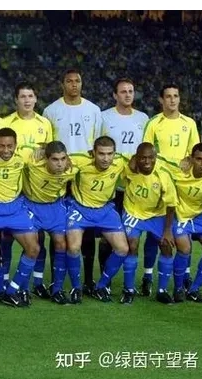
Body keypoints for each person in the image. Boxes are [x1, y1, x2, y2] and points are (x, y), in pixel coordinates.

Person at [43, 69, 102, 296]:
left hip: (84, 176)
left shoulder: (93, 110)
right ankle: (55, 278)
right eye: (69, 81)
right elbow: (49, 146)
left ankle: (87, 279)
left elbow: (97, 144)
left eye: (77, 81)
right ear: (62, 84)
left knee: (86, 228)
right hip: (60, 176)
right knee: (57, 227)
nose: (74, 85)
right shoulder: (51, 110)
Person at [143, 83, 200, 290]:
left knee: (184, 230)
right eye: (168, 96)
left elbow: (195, 152)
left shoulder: (189, 123)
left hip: (182, 184)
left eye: (176, 95)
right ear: (161, 100)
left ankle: (185, 274)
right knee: (155, 232)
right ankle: (148, 275)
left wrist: (189, 160)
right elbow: (145, 151)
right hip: (160, 184)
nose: (172, 99)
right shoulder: (154, 123)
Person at [0, 128, 40, 308]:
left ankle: (12, 290)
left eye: (9, 146)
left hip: (15, 209)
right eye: (1, 146)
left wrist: (44, 148)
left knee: (33, 248)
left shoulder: (24, 154)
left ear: (16, 145)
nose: (5, 150)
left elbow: (48, 150)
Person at [3, 82, 54, 294]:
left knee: (38, 236)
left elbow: (51, 153)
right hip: (13, 186)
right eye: (22, 96)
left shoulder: (45, 123)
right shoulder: (6, 123)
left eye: (30, 96)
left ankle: (38, 282)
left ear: (35, 99)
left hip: (36, 188)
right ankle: (4, 279)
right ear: (16, 99)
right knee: (6, 236)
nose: (27, 100)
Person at [66, 136, 129, 304]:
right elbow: (57, 156)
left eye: (109, 154)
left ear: (115, 153)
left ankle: (101, 286)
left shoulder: (121, 161)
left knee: (122, 249)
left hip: (105, 209)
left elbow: (143, 157)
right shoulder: (79, 160)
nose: (106, 158)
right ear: (93, 152)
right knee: (73, 247)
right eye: (101, 154)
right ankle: (76, 288)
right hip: (79, 208)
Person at [97, 78, 149, 278]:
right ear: (114, 95)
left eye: (130, 91)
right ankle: (104, 280)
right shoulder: (104, 117)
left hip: (134, 186)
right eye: (123, 91)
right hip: (111, 186)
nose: (127, 95)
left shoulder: (143, 118)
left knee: (133, 237)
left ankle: (131, 281)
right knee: (106, 236)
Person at [119, 143, 177, 304]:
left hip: (157, 214)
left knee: (166, 246)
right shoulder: (129, 167)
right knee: (132, 246)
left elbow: (171, 205)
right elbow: (115, 156)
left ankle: (162, 291)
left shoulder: (163, 174)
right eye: (142, 158)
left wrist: (167, 231)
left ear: (155, 157)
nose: (146, 161)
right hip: (133, 212)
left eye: (150, 157)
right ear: (136, 157)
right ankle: (128, 289)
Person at [21, 141, 77, 304]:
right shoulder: (32, 162)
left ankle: (57, 289)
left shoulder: (72, 168)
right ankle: (25, 288)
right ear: (46, 159)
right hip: (32, 206)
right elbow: (12, 151)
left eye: (63, 159)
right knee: (32, 246)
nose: (60, 164)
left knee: (61, 244)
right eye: (55, 159)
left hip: (55, 207)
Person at [160, 143, 202, 302]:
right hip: (179, 214)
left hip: (200, 215)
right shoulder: (178, 169)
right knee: (184, 248)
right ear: (191, 159)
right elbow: (155, 157)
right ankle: (178, 289)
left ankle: (194, 289)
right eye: (199, 159)